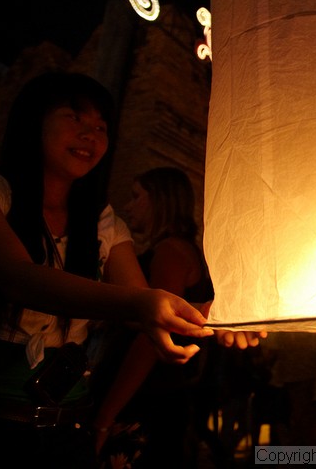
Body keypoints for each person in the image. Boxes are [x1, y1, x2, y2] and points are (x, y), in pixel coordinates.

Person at [0, 72, 261, 467]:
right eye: (75, 118)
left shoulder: (103, 223)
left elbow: (139, 307)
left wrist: (217, 315)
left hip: (68, 423)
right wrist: (144, 305)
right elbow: (17, 278)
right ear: (34, 121)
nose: (91, 135)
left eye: (101, 127)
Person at [90, 167, 215, 467]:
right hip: (163, 393)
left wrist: (105, 416)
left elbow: (152, 336)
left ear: (160, 200)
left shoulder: (169, 252)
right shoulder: (186, 249)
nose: (127, 206)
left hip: (145, 395)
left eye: (136, 196)